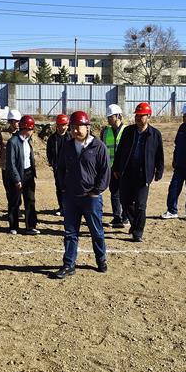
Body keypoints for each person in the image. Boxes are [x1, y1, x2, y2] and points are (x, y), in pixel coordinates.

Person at [54, 110, 110, 279]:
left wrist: (96, 191)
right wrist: (63, 187)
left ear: (88, 127)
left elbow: (105, 171)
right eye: (73, 127)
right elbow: (60, 168)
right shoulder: (68, 146)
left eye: (79, 127)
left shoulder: (98, 147)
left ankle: (101, 259)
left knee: (96, 231)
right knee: (70, 233)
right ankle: (69, 264)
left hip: (91, 198)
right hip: (71, 197)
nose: (76, 130)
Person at [112, 102, 164, 243]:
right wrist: (116, 168)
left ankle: (137, 232)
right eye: (137, 115)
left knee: (141, 205)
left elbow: (159, 154)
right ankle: (135, 223)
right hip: (127, 172)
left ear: (148, 117)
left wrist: (159, 171)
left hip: (144, 174)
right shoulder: (128, 131)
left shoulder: (155, 134)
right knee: (125, 202)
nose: (138, 118)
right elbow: (119, 151)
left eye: (141, 116)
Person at [3, 115, 39, 235]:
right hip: (17, 175)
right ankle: (13, 226)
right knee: (15, 201)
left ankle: (31, 226)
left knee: (30, 200)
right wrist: (17, 179)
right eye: (31, 129)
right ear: (26, 129)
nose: (32, 131)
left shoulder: (28, 141)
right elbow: (11, 163)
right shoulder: (13, 142)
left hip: (28, 174)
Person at [100, 103, 129, 228]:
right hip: (110, 168)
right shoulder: (105, 131)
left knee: (126, 193)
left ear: (118, 116)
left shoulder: (127, 130)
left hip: (124, 168)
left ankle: (126, 217)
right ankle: (117, 217)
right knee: (114, 192)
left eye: (111, 117)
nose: (109, 119)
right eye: (108, 117)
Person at [46, 113, 70, 216]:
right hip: (58, 168)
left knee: (70, 188)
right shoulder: (52, 138)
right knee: (59, 188)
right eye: (61, 125)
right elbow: (49, 152)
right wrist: (53, 163)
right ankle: (61, 207)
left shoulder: (71, 137)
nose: (63, 127)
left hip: (70, 168)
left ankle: (69, 207)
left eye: (65, 125)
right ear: (57, 125)